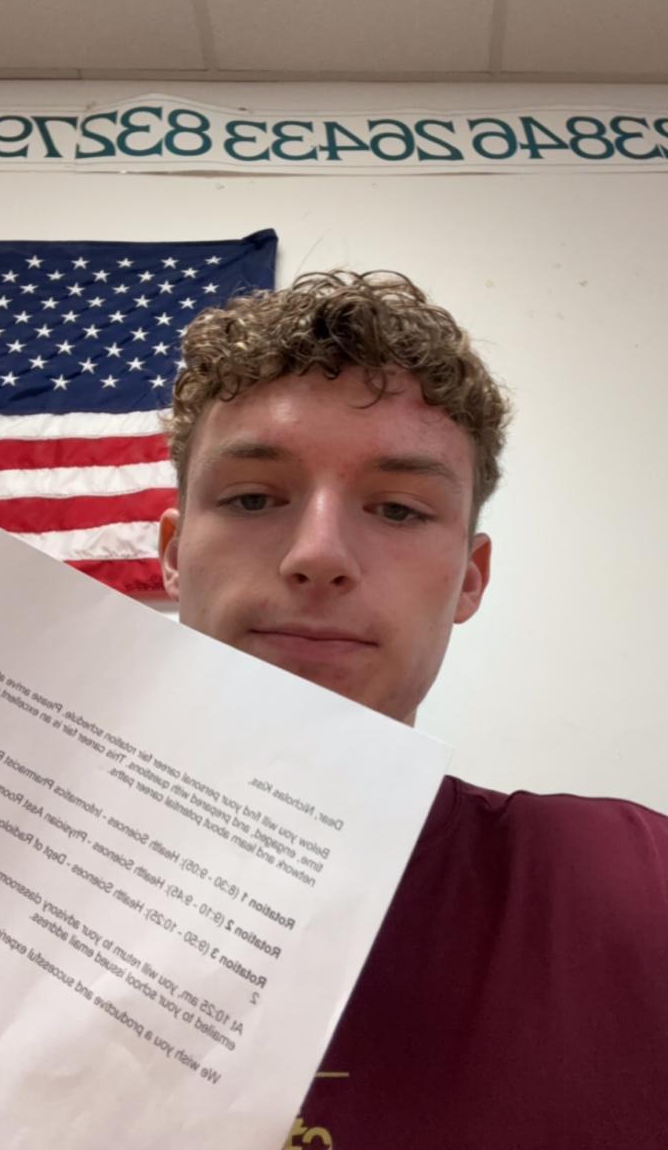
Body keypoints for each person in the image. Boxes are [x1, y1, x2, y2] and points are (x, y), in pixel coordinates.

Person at [158, 271, 668, 1149]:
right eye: (253, 498)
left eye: (398, 509)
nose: (319, 554)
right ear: (172, 555)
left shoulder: (640, 888)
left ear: (470, 578)